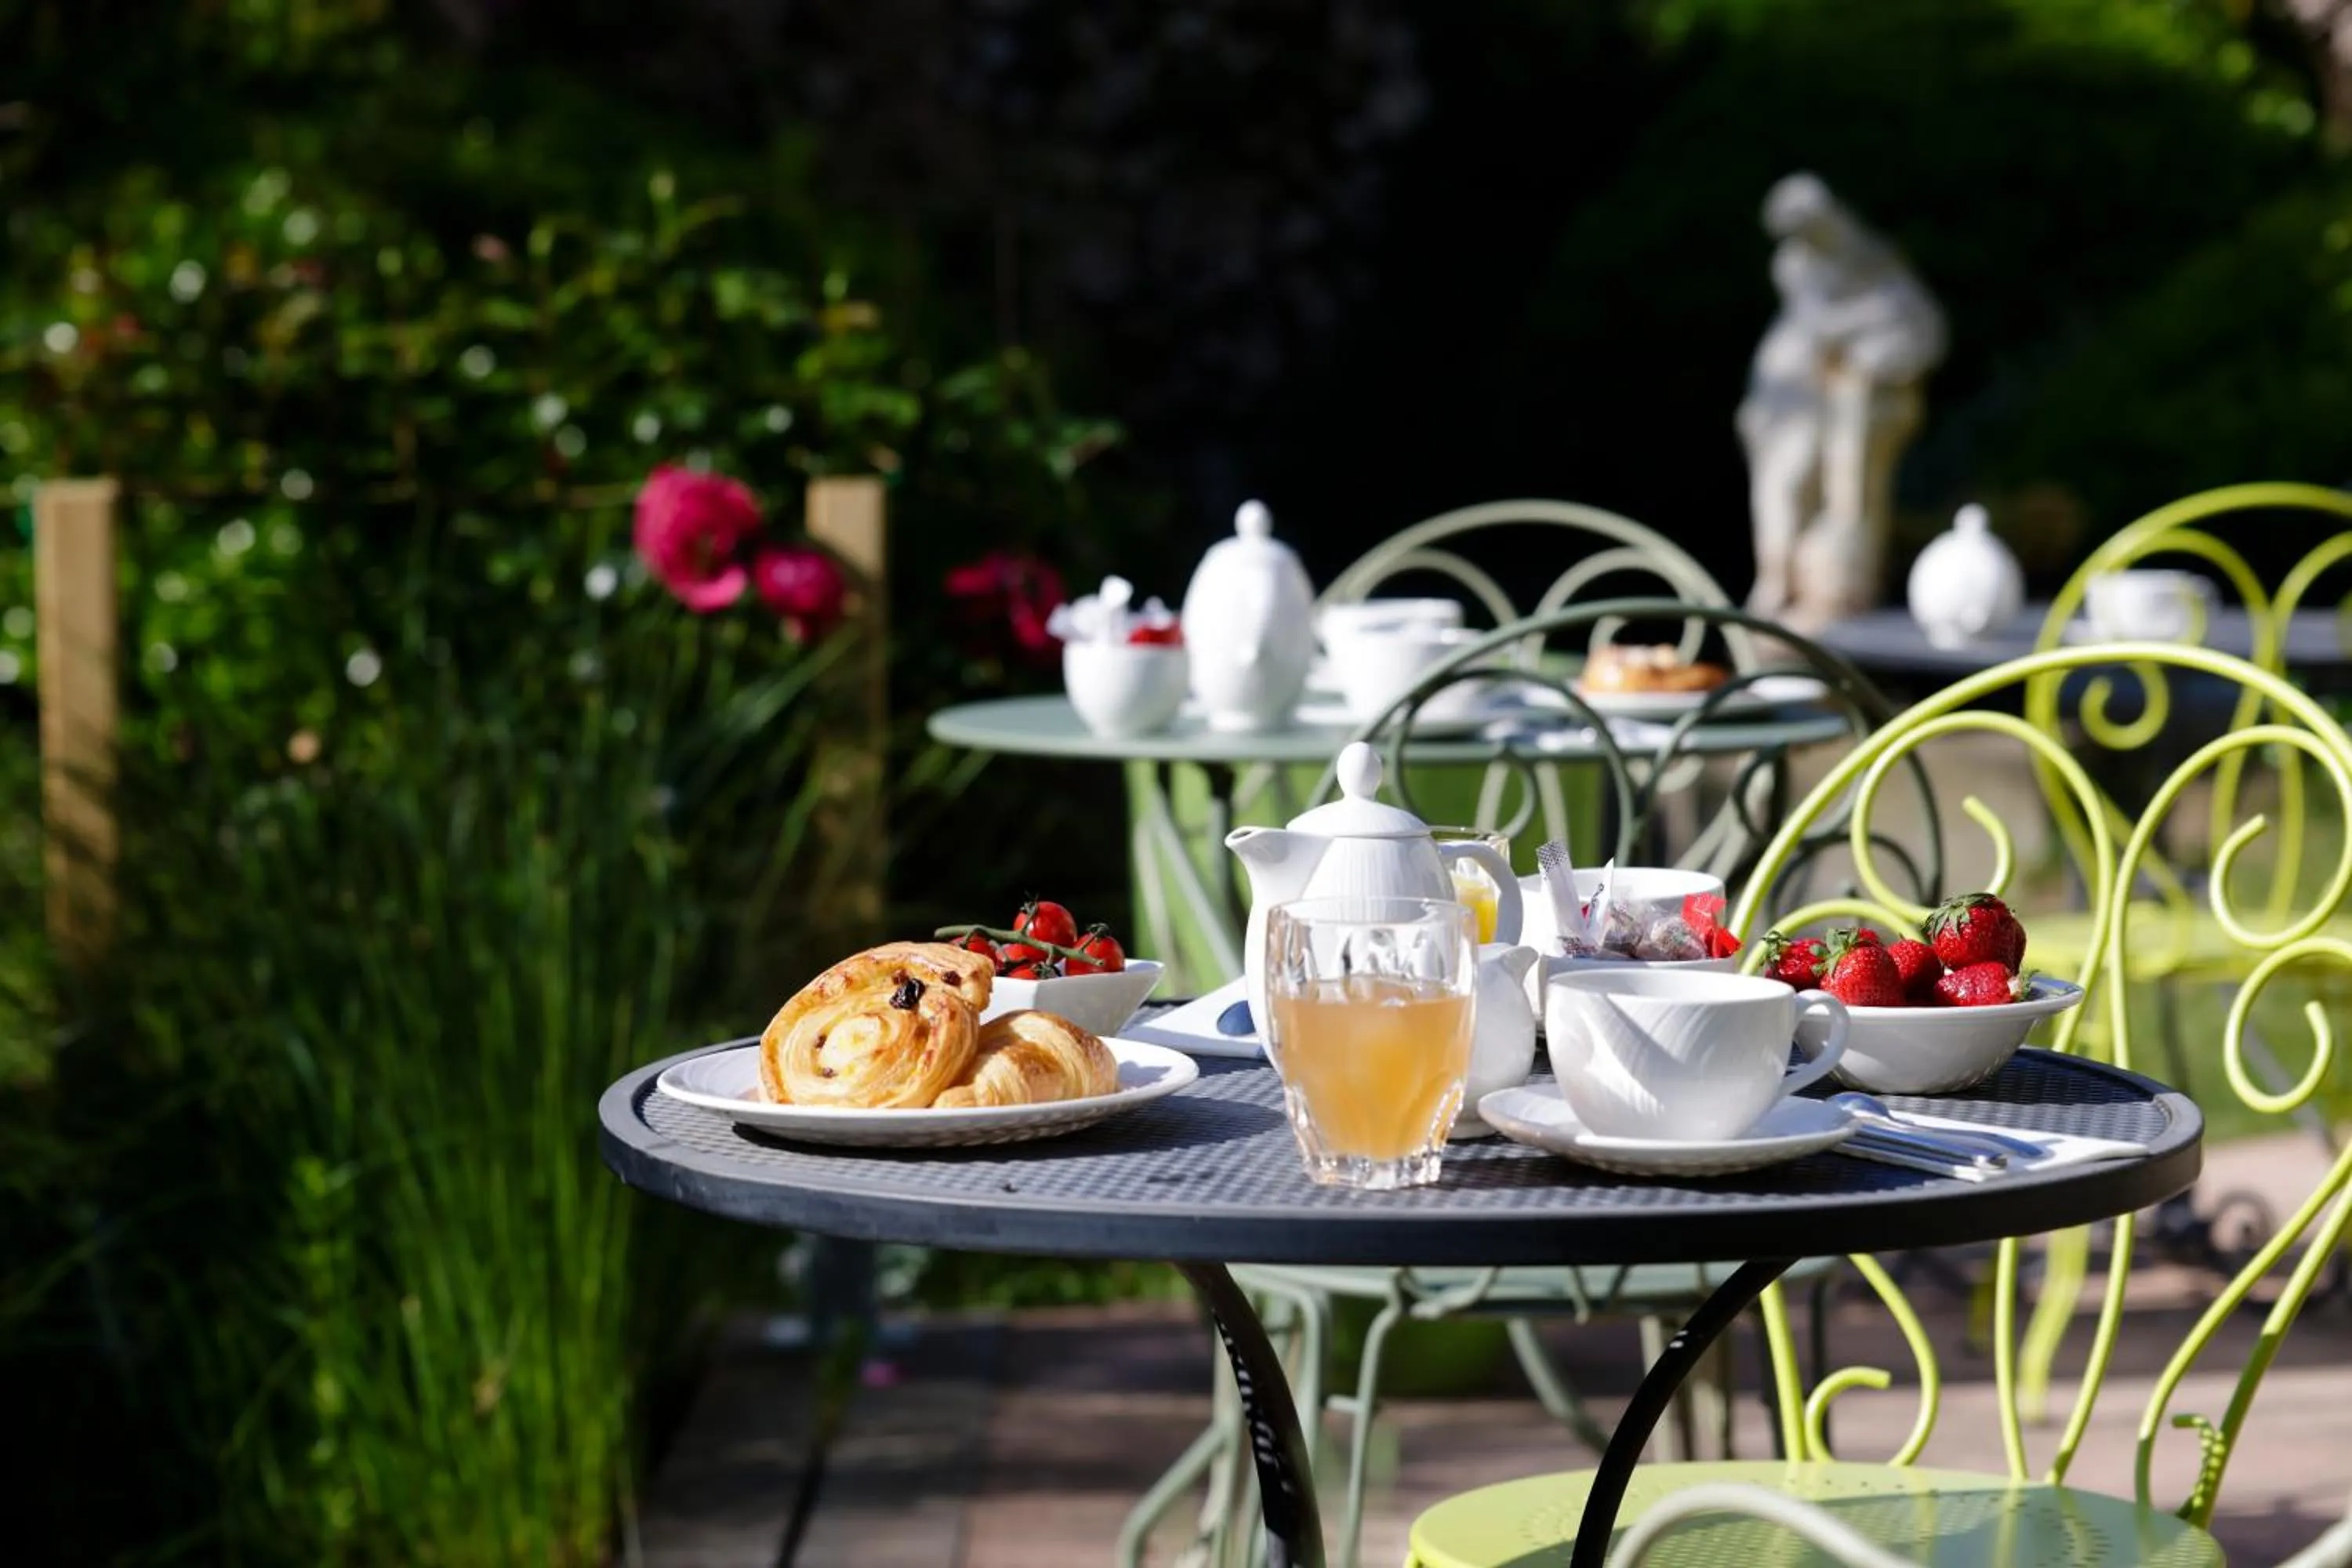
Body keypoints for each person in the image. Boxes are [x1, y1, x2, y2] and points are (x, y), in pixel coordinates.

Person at [1738, 172, 1946, 634]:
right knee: (1787, 482)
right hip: (1797, 395)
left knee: (1848, 492)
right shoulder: (1794, 266)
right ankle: (1778, 582)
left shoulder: (1874, 263)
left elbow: (1923, 333)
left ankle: (1836, 590)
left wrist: (1868, 353)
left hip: (1846, 401)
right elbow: (1816, 330)